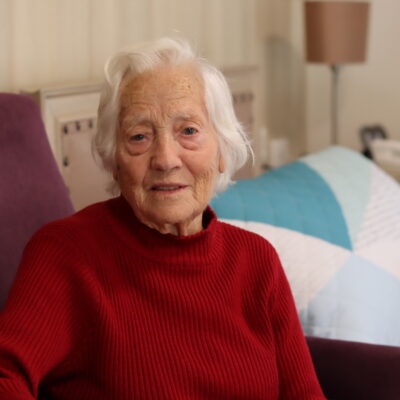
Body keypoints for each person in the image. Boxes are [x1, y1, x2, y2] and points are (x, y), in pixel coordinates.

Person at [0, 37, 325, 399]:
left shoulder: (257, 261)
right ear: (114, 161)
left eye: (188, 131)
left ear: (221, 150)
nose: (166, 159)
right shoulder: (66, 254)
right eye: (139, 137)